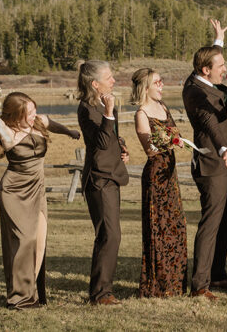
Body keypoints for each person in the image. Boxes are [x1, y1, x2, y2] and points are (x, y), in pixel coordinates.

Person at [0, 92, 80, 309]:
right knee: (23, 241)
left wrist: (70, 132)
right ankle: (20, 297)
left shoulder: (38, 121)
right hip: (14, 191)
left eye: (34, 109)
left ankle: (32, 292)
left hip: (37, 189)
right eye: (29, 112)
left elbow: (52, 123)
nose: (34, 115)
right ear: (16, 115)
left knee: (39, 241)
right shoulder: (8, 132)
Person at [182, 21, 227, 300]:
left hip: (223, 162)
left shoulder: (202, 77)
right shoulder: (195, 91)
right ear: (206, 70)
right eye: (220, 66)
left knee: (224, 220)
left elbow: (211, 59)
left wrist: (218, 42)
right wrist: (223, 150)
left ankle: (217, 273)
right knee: (211, 222)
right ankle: (200, 284)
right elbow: (208, 123)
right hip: (213, 163)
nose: (224, 70)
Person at [77, 59, 130, 305]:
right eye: (109, 78)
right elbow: (98, 142)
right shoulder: (87, 109)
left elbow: (110, 139)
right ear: (95, 83)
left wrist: (122, 148)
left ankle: (102, 290)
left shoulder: (106, 106)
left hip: (112, 174)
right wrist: (108, 113)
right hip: (98, 179)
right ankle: (100, 293)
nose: (114, 81)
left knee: (111, 234)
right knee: (109, 235)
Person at [132, 68, 188, 298]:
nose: (162, 85)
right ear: (146, 87)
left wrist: (178, 139)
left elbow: (174, 133)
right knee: (159, 228)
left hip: (170, 173)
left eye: (161, 81)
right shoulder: (142, 113)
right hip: (156, 175)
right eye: (157, 82)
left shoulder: (164, 107)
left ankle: (176, 284)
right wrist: (168, 141)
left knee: (176, 226)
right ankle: (158, 286)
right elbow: (150, 149)